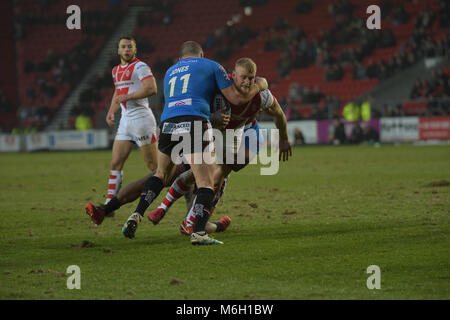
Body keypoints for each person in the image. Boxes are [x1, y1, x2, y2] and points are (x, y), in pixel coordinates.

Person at [120, 41, 267, 245]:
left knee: (160, 174)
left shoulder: (171, 70)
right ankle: (199, 233)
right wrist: (260, 84)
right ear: (201, 54)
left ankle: (137, 214)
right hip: (194, 121)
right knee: (206, 180)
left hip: (168, 122)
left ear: (182, 57)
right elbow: (237, 97)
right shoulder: (212, 65)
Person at [148, 58, 291, 235]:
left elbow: (278, 114)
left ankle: (190, 218)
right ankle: (173, 212)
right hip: (214, 131)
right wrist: (211, 117)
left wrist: (283, 139)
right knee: (203, 173)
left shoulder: (262, 95)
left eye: (251, 78)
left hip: (242, 133)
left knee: (220, 173)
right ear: (232, 76)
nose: (247, 82)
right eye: (243, 77)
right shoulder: (219, 91)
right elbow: (196, 109)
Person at [103, 37, 158, 212]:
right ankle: (109, 205)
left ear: (135, 50)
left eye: (130, 47)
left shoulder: (140, 67)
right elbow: (118, 92)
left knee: (155, 167)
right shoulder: (115, 71)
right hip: (125, 121)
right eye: (123, 47)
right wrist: (112, 111)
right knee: (115, 162)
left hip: (142, 121)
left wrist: (129, 97)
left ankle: (178, 190)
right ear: (118, 50)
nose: (126, 50)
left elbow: (151, 88)